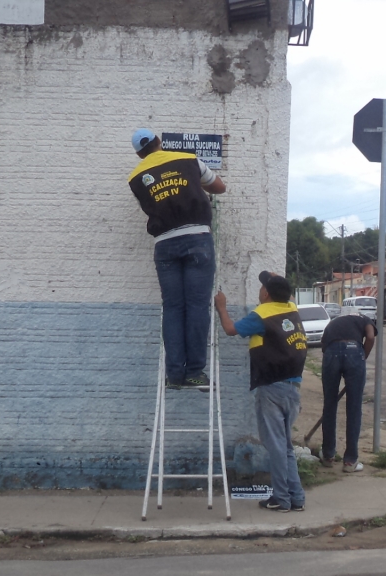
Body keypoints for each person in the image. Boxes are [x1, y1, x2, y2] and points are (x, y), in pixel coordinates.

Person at [128, 129, 226, 390]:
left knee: (173, 308)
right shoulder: (188, 159)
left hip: (165, 245)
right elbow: (220, 187)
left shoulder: (135, 178)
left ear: (138, 153)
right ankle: (194, 372)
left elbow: (153, 204)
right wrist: (194, 184)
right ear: (160, 141)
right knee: (196, 306)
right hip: (197, 239)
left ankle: (174, 374)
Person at [214, 271, 306, 513]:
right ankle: (296, 498)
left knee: (275, 445)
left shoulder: (261, 315)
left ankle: (281, 499)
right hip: (293, 388)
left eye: (263, 286)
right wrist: (278, 281)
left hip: (272, 388)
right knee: (285, 446)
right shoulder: (292, 309)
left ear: (265, 293)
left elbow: (231, 329)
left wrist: (221, 307)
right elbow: (285, 293)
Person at [319, 311, 376, 473]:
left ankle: (328, 456)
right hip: (354, 351)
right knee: (354, 407)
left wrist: (335, 359)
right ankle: (350, 461)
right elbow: (370, 337)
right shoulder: (365, 319)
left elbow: (324, 346)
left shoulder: (334, 322)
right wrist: (362, 357)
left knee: (329, 404)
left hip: (331, 352)